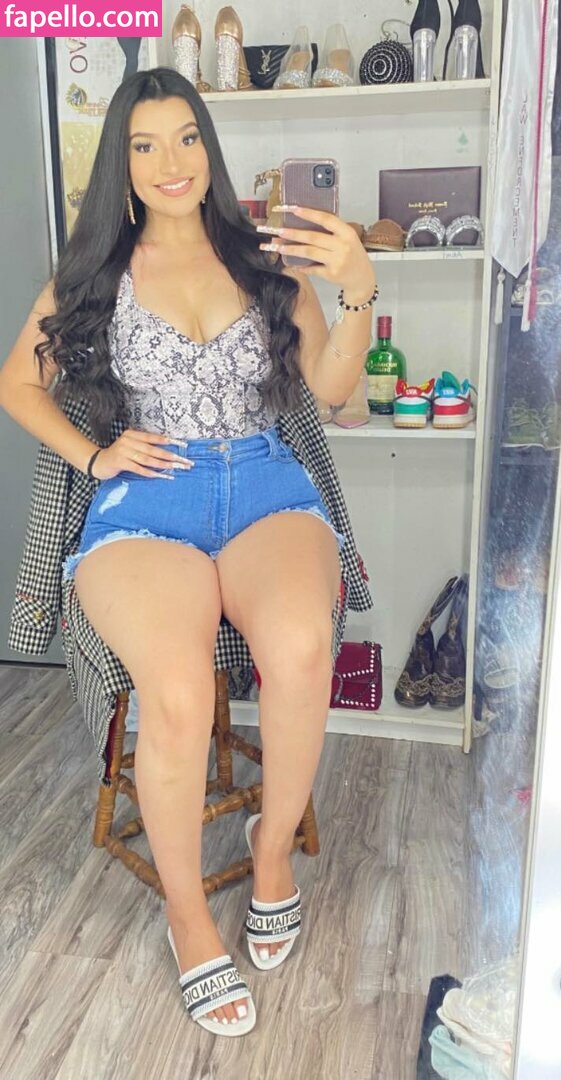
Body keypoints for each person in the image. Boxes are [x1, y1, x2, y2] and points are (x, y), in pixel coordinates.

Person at [0, 68, 378, 1036]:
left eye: (185, 139)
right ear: (121, 164)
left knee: (302, 648)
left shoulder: (264, 263)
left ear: (208, 148)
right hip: (148, 502)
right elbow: (16, 385)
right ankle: (187, 916)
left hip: (265, 486)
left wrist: (358, 290)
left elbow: (333, 391)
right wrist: (95, 454)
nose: (170, 162)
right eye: (144, 145)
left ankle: (270, 851)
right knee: (176, 694)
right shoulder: (92, 274)